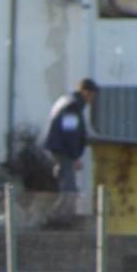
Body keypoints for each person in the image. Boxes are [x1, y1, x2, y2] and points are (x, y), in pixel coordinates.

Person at [42, 78, 99, 225]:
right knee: (69, 186)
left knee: (68, 184)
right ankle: (58, 217)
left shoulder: (68, 101)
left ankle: (60, 216)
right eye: (92, 94)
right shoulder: (73, 106)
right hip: (63, 150)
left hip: (60, 149)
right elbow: (70, 133)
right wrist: (75, 157)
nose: (93, 99)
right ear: (86, 92)